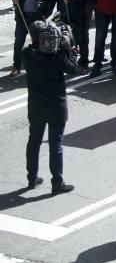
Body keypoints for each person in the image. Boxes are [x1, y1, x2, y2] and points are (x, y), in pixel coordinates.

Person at [23, 21, 79, 193]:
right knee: (55, 145)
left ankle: (32, 178)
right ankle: (57, 182)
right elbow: (73, 68)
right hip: (56, 106)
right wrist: (67, 48)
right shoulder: (57, 57)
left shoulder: (27, 54)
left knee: (34, 141)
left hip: (36, 106)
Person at [11, 0, 52, 78]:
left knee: (39, 43)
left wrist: (46, 15)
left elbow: (51, 0)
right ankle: (16, 66)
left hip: (37, 17)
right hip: (23, 16)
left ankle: (40, 67)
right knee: (18, 42)